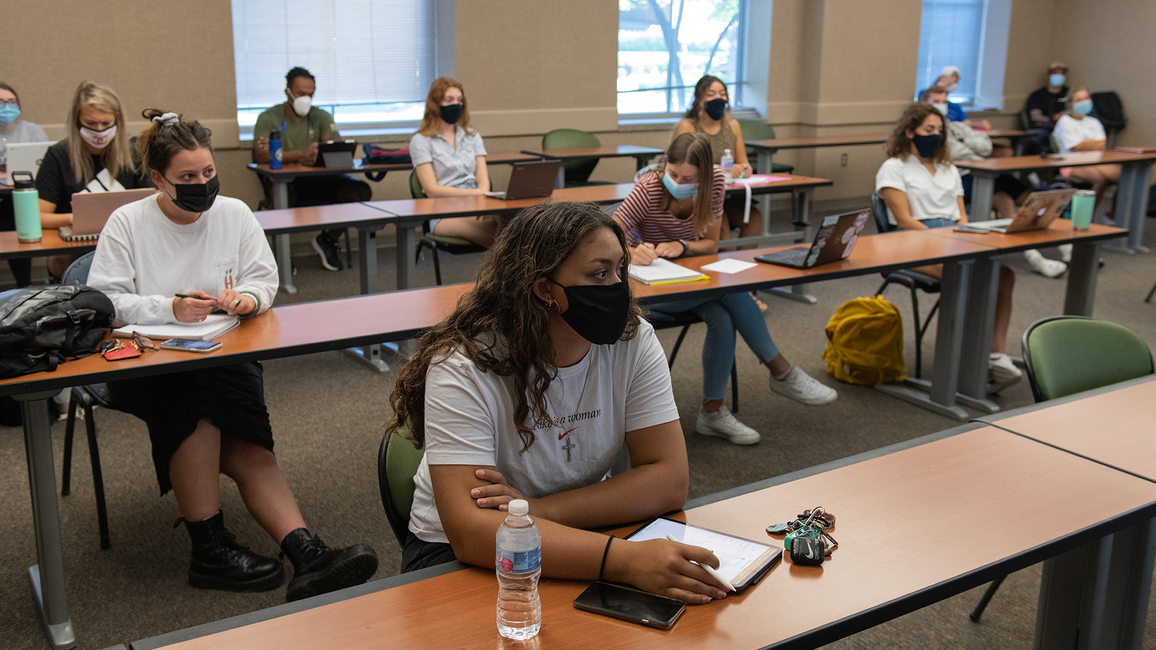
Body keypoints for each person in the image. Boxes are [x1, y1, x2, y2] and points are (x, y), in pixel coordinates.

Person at [89, 109, 377, 601]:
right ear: (158, 178)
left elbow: (263, 279)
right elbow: (104, 302)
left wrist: (249, 298)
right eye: (187, 177)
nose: (203, 184)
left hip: (221, 348)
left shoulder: (235, 213)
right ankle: (208, 548)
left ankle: (306, 552)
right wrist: (170, 307)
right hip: (148, 359)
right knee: (197, 401)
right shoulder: (128, 222)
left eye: (208, 173)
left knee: (246, 434)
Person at [389, 200, 731, 605]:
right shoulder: (464, 364)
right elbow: (471, 532)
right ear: (544, 289)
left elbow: (669, 480)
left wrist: (536, 510)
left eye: (620, 269)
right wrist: (622, 561)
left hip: (581, 528)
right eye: (599, 273)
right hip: (457, 555)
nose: (618, 286)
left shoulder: (632, 340)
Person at [615, 132, 837, 445]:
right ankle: (781, 372)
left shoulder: (716, 183)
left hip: (690, 282)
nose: (676, 181)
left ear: (705, 174)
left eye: (688, 177)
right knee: (730, 290)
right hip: (649, 292)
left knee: (722, 314)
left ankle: (712, 413)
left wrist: (682, 245)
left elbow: (712, 245)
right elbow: (611, 232)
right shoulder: (650, 186)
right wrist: (631, 251)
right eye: (672, 173)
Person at [875, 102, 1020, 386]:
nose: (936, 135)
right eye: (929, 129)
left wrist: (964, 238)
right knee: (968, 274)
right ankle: (965, 362)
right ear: (909, 132)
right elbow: (903, 221)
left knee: (1003, 274)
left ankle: (995, 355)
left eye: (940, 130)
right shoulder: (893, 168)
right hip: (911, 241)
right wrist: (943, 240)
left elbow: (961, 216)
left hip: (951, 236)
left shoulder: (948, 168)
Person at [921, 86, 1064, 278]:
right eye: (936, 101)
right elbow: (952, 153)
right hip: (963, 177)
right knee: (1004, 200)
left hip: (987, 173)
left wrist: (968, 144)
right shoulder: (927, 132)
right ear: (924, 104)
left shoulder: (957, 126)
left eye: (944, 101)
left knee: (1032, 198)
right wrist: (972, 148)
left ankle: (1066, 247)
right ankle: (1035, 257)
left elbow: (986, 145)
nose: (941, 105)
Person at [252, 67, 370, 272]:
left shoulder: (320, 116)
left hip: (319, 179)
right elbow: (262, 155)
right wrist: (301, 154)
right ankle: (282, 255)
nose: (306, 98)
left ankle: (328, 239)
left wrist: (328, 146)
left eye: (310, 94)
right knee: (283, 199)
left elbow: (334, 142)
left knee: (360, 191)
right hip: (285, 183)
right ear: (287, 92)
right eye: (300, 94)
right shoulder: (268, 117)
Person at [35, 81, 152, 280]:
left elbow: (154, 201)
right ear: (77, 122)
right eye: (91, 124)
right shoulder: (59, 155)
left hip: (129, 241)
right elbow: (38, 215)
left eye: (106, 124)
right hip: (75, 249)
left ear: (118, 121)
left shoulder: (135, 152)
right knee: (67, 264)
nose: (99, 131)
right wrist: (76, 219)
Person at [409, 77, 497, 247]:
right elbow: (432, 190)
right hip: (444, 212)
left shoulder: (472, 136)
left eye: (459, 100)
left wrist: (479, 196)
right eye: (449, 100)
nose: (456, 104)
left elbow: (484, 184)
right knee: (499, 234)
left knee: (515, 222)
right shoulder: (421, 140)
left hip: (477, 204)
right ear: (436, 104)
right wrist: (473, 194)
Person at [673, 75, 760, 244]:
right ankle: (723, 263)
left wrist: (742, 169)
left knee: (754, 217)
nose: (718, 98)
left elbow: (744, 164)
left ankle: (745, 262)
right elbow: (681, 166)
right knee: (722, 223)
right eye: (711, 94)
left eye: (722, 94)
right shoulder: (688, 126)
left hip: (730, 195)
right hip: (700, 198)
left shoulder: (732, 126)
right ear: (699, 99)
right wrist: (720, 169)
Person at [0, 82, 49, 288]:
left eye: (12, 102)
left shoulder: (32, 131)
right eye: (1, 102)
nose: (7, 106)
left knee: (18, 211)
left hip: (24, 196)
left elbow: (46, 164)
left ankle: (24, 286)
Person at [1053, 87, 1119, 215]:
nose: (1083, 102)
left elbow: (1102, 145)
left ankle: (1112, 216)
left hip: (1095, 162)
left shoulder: (1094, 122)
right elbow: (1075, 147)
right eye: (1079, 100)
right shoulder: (1065, 121)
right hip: (1069, 164)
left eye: (1086, 98)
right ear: (1070, 104)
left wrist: (1084, 145)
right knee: (1100, 180)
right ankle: (1084, 217)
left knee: (1125, 176)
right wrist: (1089, 145)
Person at [1024, 62, 1069, 153]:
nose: (1059, 76)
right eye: (1055, 73)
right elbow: (1035, 116)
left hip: (1067, 126)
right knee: (1041, 137)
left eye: (1062, 73)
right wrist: (1052, 120)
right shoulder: (1037, 95)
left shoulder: (1069, 94)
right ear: (1048, 75)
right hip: (1044, 128)